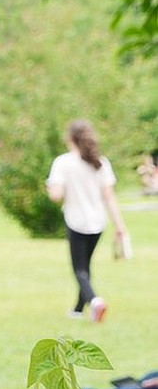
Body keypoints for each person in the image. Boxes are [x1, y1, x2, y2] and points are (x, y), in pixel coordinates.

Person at [46, 119, 128, 322]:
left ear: (70, 138)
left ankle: (95, 301)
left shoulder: (63, 162)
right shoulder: (100, 162)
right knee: (86, 266)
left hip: (76, 221)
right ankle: (77, 309)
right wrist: (120, 225)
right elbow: (109, 197)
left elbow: (56, 195)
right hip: (97, 222)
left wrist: (51, 189)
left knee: (79, 269)